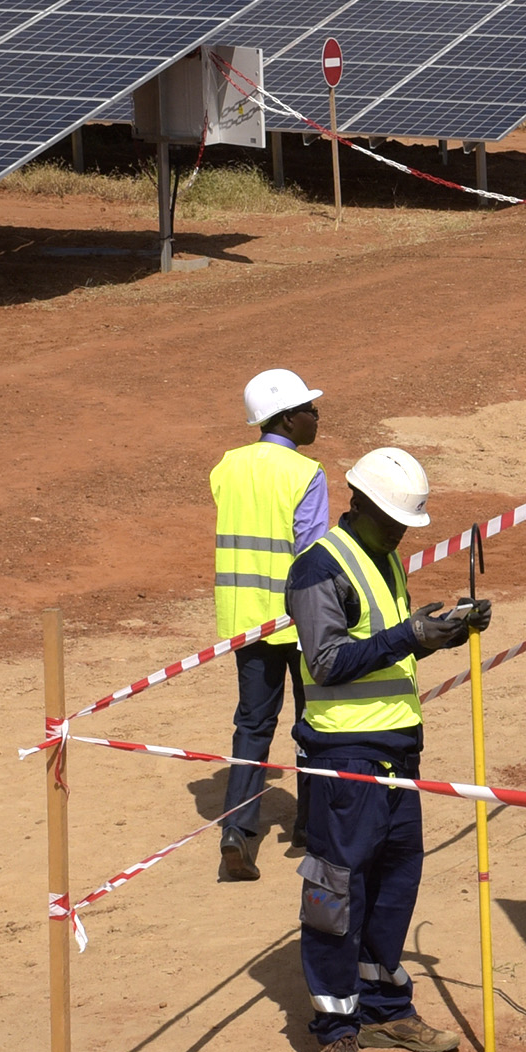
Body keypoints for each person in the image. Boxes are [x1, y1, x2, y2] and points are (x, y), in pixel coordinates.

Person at [287, 446, 490, 1052]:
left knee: (396, 883)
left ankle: (382, 1010)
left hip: (399, 754)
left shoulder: (385, 561)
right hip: (343, 759)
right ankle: (336, 1031)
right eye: (397, 518)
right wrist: (409, 636)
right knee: (335, 893)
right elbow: (327, 661)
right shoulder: (320, 567)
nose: (405, 531)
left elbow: (386, 656)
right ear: (363, 504)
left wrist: (442, 632)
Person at [212, 366, 330, 881]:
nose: (316, 417)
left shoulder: (227, 467)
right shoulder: (307, 474)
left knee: (252, 725)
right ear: (286, 417)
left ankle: (238, 831)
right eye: (310, 410)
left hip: (245, 621)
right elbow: (312, 556)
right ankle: (311, 825)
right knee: (315, 723)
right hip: (300, 621)